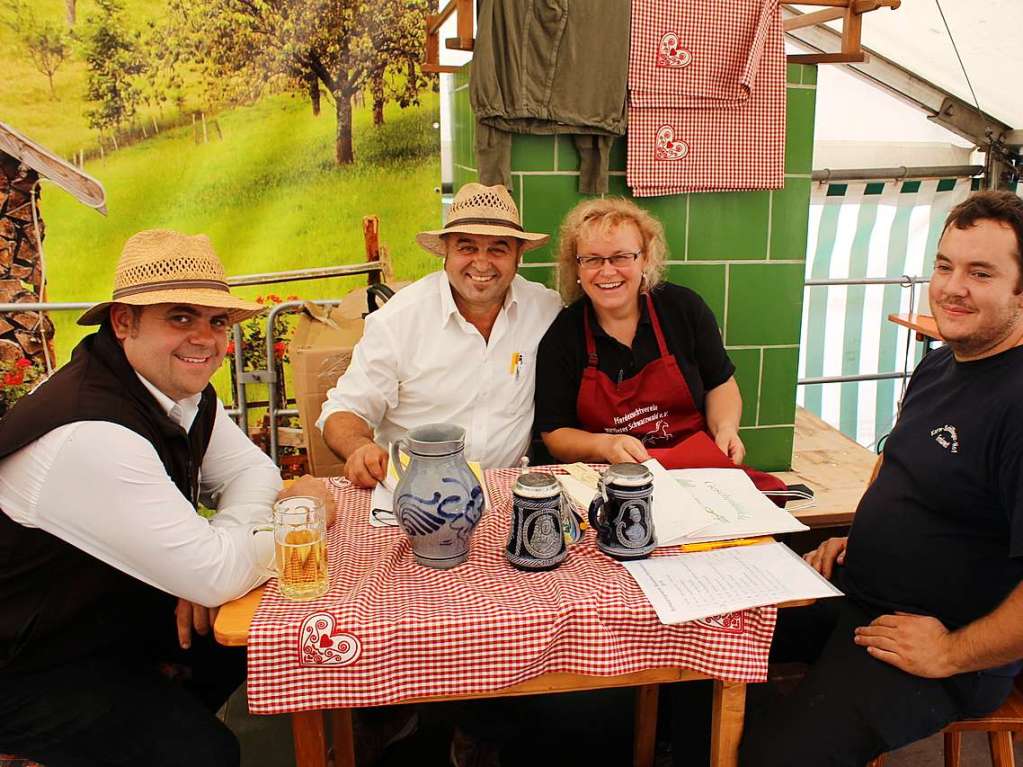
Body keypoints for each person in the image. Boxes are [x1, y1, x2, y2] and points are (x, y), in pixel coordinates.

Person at [0, 229, 334, 767]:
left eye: (217, 321)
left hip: (98, 622)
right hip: (25, 663)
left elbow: (254, 471)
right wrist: (284, 530)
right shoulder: (90, 430)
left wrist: (210, 561)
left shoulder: (174, 389)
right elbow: (217, 570)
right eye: (180, 317)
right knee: (202, 754)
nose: (204, 338)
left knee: (259, 644)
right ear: (123, 321)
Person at [739, 190, 1023, 766]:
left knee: (777, 759)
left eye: (981, 273)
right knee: (703, 654)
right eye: (945, 266)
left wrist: (949, 651)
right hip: (857, 592)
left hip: (938, 643)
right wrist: (858, 537)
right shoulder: (941, 362)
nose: (952, 287)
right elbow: (898, 466)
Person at [318, 182, 563, 487]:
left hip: (506, 489)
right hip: (415, 493)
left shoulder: (545, 309)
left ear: (518, 256)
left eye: (498, 248)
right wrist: (359, 448)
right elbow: (344, 411)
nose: (482, 263)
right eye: (467, 247)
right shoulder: (398, 321)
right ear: (446, 251)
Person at [535, 197, 766, 481]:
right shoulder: (563, 335)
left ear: (645, 258)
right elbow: (554, 433)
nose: (607, 271)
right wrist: (604, 445)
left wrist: (726, 429)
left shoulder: (683, 309)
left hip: (695, 471)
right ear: (578, 269)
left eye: (621, 257)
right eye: (592, 259)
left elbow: (720, 383)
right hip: (609, 480)